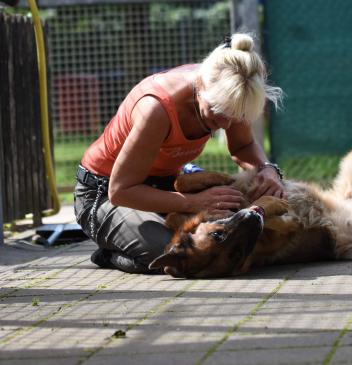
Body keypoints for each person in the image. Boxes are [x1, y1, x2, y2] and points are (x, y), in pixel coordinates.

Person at [74, 33, 284, 274]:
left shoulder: (229, 91)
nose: (226, 125)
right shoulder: (157, 108)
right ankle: (109, 255)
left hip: (164, 188)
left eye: (235, 117)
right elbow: (120, 190)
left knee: (230, 233)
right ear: (202, 86)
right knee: (177, 254)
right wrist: (195, 203)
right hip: (103, 195)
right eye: (218, 114)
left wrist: (267, 170)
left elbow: (242, 147)